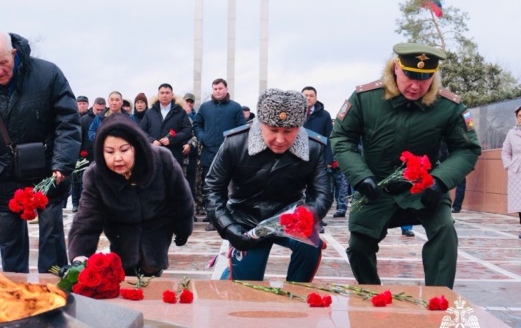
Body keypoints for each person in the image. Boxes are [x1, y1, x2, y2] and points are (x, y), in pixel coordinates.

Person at [330, 43, 481, 288]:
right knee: (359, 247)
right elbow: (341, 138)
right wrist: (360, 176)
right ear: (396, 69)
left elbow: (467, 149)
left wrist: (440, 181)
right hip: (375, 187)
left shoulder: (448, 106)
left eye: (424, 79)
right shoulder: (365, 99)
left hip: (425, 187)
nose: (415, 86)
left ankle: (438, 298)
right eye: (410, 76)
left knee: (445, 233)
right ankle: (371, 295)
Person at [0, 32, 81, 273]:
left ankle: (54, 291)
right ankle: (15, 294)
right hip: (2, 173)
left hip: (48, 169)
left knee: (51, 235)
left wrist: (62, 164)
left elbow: (67, 122)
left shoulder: (48, 74)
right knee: (10, 241)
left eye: (3, 63)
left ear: (13, 54)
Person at [204, 89, 331, 281]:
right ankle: (230, 277)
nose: (280, 140)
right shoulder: (235, 142)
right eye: (273, 130)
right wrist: (228, 227)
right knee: (245, 284)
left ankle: (296, 294)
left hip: (290, 217)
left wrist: (307, 216)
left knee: (310, 248)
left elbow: (322, 193)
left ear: (300, 127)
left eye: (288, 132)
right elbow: (212, 188)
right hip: (246, 219)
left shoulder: (313, 146)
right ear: (260, 124)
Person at [68, 114, 194, 276]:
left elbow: (182, 198)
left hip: (158, 224)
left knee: (151, 269)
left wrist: (183, 229)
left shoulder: (162, 160)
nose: (118, 158)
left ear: (136, 146)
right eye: (110, 152)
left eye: (124, 150)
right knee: (125, 272)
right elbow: (87, 217)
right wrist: (79, 255)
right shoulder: (96, 175)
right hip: (121, 229)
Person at [194, 78, 247, 229]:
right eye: (215, 88)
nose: (218, 91)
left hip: (229, 154)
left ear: (226, 89)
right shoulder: (205, 107)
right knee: (211, 188)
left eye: (220, 88)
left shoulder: (235, 107)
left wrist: (234, 143)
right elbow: (197, 124)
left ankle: (231, 218)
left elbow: (242, 128)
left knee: (230, 187)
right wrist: (202, 137)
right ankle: (214, 220)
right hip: (209, 153)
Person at [302, 86, 334, 233]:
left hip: (318, 160)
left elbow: (330, 138)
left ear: (316, 98)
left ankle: (316, 220)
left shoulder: (324, 115)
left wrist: (329, 159)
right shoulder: (295, 113)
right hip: (299, 157)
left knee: (317, 191)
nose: (308, 98)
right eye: (305, 95)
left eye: (311, 95)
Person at [139, 83, 193, 164]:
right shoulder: (150, 112)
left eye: (167, 93)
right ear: (158, 94)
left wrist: (171, 139)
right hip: (154, 155)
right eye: (162, 93)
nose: (164, 95)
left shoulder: (180, 112)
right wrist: (152, 140)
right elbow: (141, 131)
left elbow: (187, 130)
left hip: (173, 155)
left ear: (172, 95)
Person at [71, 97, 106, 212]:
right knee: (80, 180)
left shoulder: (105, 118)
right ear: (93, 107)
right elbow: (78, 137)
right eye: (98, 109)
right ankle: (77, 203)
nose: (100, 112)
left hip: (100, 154)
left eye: (102, 109)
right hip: (85, 154)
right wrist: (80, 151)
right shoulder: (84, 119)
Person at [501, 105, 521, 239]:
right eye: (520, 116)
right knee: (519, 203)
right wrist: (509, 165)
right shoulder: (511, 133)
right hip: (517, 171)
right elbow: (505, 151)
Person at [182, 92, 200, 211]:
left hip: (192, 154)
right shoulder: (175, 116)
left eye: (191, 102)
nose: (188, 104)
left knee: (191, 182)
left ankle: (191, 210)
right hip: (178, 154)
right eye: (186, 101)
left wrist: (189, 145)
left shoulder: (196, 117)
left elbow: (197, 135)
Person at [440, 142, 467, 213]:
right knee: (460, 183)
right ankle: (455, 207)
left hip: (451, 158)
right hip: (456, 157)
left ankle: (452, 206)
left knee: (442, 181)